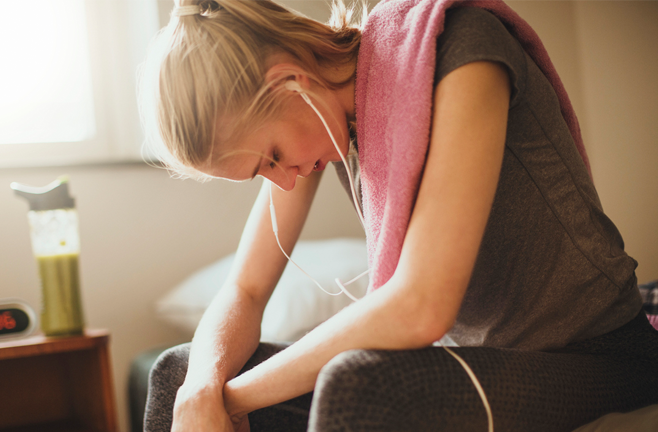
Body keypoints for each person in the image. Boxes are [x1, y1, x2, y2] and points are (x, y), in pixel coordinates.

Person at [139, 1, 658, 431]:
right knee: (178, 372)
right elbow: (246, 291)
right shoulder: (323, 118)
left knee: (362, 384)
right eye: (262, 173)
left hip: (595, 353)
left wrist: (230, 401)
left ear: (291, 82)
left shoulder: (457, 51)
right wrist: (203, 388)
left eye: (271, 155)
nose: (284, 180)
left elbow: (420, 305)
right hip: (476, 357)